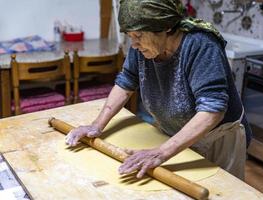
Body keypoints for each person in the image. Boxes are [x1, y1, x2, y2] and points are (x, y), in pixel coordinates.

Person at [65, 0, 252, 180]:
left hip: (216, 138)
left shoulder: (201, 45)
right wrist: (96, 125)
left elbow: (212, 110)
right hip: (172, 135)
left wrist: (161, 152)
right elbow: (126, 82)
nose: (134, 45)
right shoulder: (141, 48)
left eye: (138, 36)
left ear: (166, 27)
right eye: (130, 36)